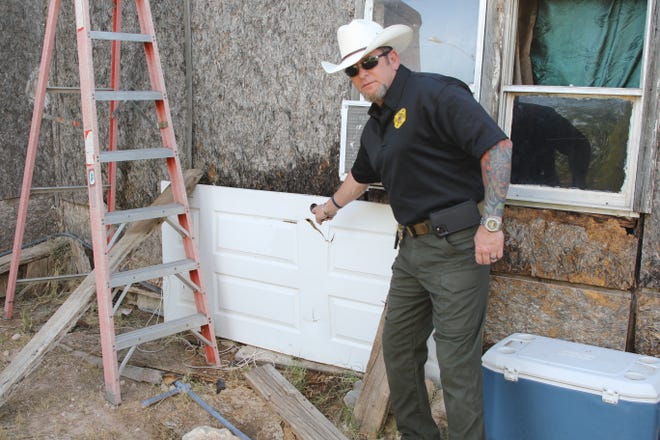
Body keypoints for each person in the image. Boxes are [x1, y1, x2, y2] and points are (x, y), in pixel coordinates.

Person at [313, 19, 512, 440]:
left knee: (457, 366)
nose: (361, 74)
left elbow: (497, 146)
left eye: (368, 63)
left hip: (458, 247)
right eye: (352, 70)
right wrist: (330, 206)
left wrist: (492, 223)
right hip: (411, 252)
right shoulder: (376, 126)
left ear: (392, 58)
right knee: (399, 350)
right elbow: (360, 175)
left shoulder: (435, 94)